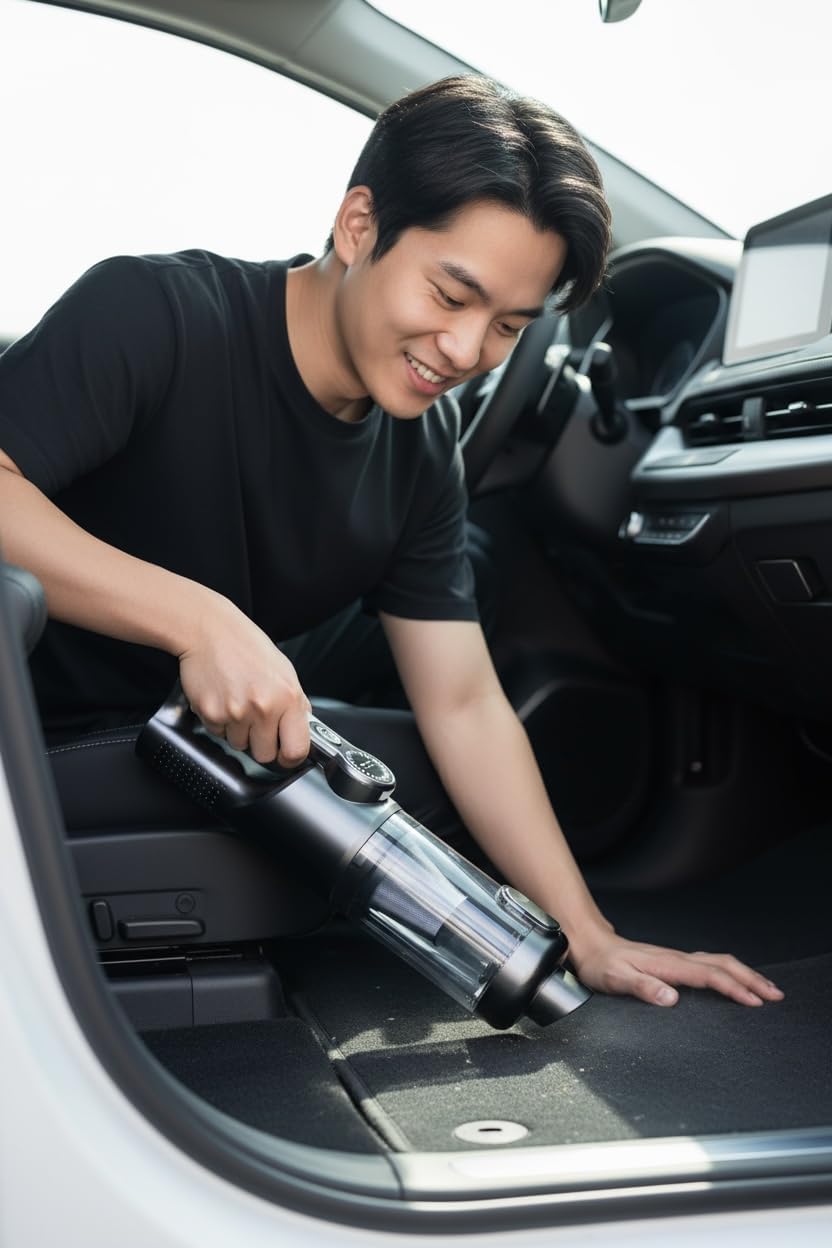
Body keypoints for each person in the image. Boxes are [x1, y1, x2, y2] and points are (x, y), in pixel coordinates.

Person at [0, 73, 781, 1011]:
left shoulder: (421, 449)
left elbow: (462, 701)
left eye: (507, 328)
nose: (463, 351)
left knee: (429, 769)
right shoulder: (157, 313)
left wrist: (587, 934)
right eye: (451, 295)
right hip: (33, 748)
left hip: (185, 747)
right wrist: (199, 622)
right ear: (359, 225)